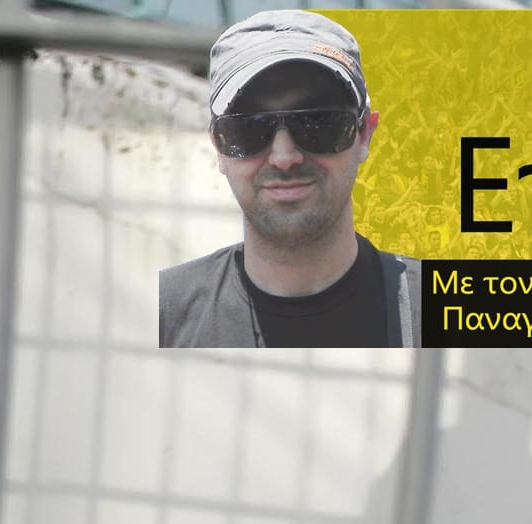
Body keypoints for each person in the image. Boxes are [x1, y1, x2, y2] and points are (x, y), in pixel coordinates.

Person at [157, 10, 420, 347]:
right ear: (219, 146)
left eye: (318, 123)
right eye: (249, 128)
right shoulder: (162, 314)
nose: (283, 157)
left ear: (364, 134)